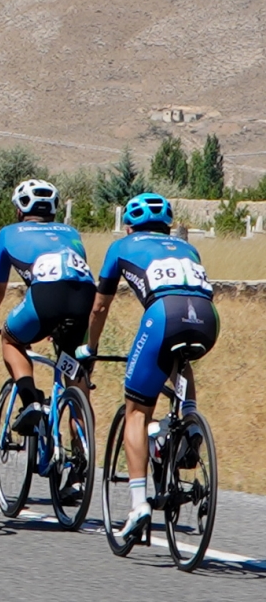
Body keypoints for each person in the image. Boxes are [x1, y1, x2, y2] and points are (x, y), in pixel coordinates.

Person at [86, 193, 220, 540]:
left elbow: (99, 307)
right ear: (167, 226)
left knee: (135, 412)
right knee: (180, 359)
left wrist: (91, 347)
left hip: (163, 314)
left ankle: (138, 505)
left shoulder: (121, 246)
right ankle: (188, 422)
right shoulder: (188, 248)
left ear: (130, 226)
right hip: (207, 318)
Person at [0, 179, 98, 435]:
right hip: (85, 299)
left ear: (19, 210)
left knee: (11, 339)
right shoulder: (71, 232)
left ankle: (30, 402)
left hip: (46, 298)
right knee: (76, 383)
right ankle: (82, 453)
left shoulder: (8, 233)